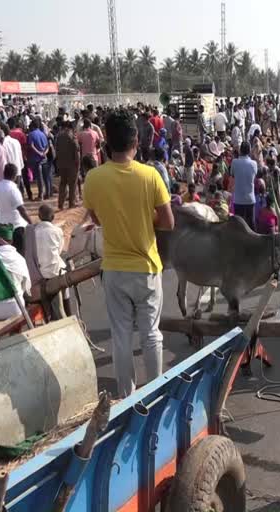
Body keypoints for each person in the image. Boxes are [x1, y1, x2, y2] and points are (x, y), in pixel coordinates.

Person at [83, 110, 174, 398]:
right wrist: (146, 219)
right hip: (146, 268)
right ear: (136, 141)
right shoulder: (150, 175)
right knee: (150, 335)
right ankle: (156, 393)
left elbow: (96, 219)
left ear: (106, 142)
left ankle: (126, 397)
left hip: (113, 269)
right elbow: (169, 222)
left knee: (120, 336)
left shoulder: (94, 178)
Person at [24, 204, 71, 318]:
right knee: (65, 286)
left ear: (39, 216)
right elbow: (59, 250)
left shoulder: (31, 231)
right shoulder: (58, 231)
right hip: (54, 272)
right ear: (53, 217)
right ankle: (68, 310)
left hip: (37, 274)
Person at [0, 162, 32, 255]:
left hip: (4, 226)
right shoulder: (13, 189)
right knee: (20, 254)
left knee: (9, 254)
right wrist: (31, 223)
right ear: (15, 175)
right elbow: (21, 209)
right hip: (16, 226)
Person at [231, 141, 258, 229]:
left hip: (238, 199)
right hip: (250, 199)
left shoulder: (234, 162)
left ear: (240, 150)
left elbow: (232, 174)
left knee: (238, 226)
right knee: (251, 224)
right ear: (249, 150)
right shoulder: (254, 163)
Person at [54, 121, 81, 210]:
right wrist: (78, 164)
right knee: (72, 184)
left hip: (61, 164)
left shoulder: (59, 136)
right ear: (70, 128)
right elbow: (76, 152)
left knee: (63, 183)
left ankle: (60, 204)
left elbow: (56, 150)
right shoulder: (72, 136)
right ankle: (71, 203)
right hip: (72, 164)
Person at [26, 120, 50, 200]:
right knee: (46, 176)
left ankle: (41, 195)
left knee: (39, 178)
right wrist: (44, 153)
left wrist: (39, 153)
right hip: (44, 158)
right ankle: (48, 193)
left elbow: (31, 146)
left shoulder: (31, 134)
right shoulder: (43, 134)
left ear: (32, 126)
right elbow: (47, 146)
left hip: (36, 159)